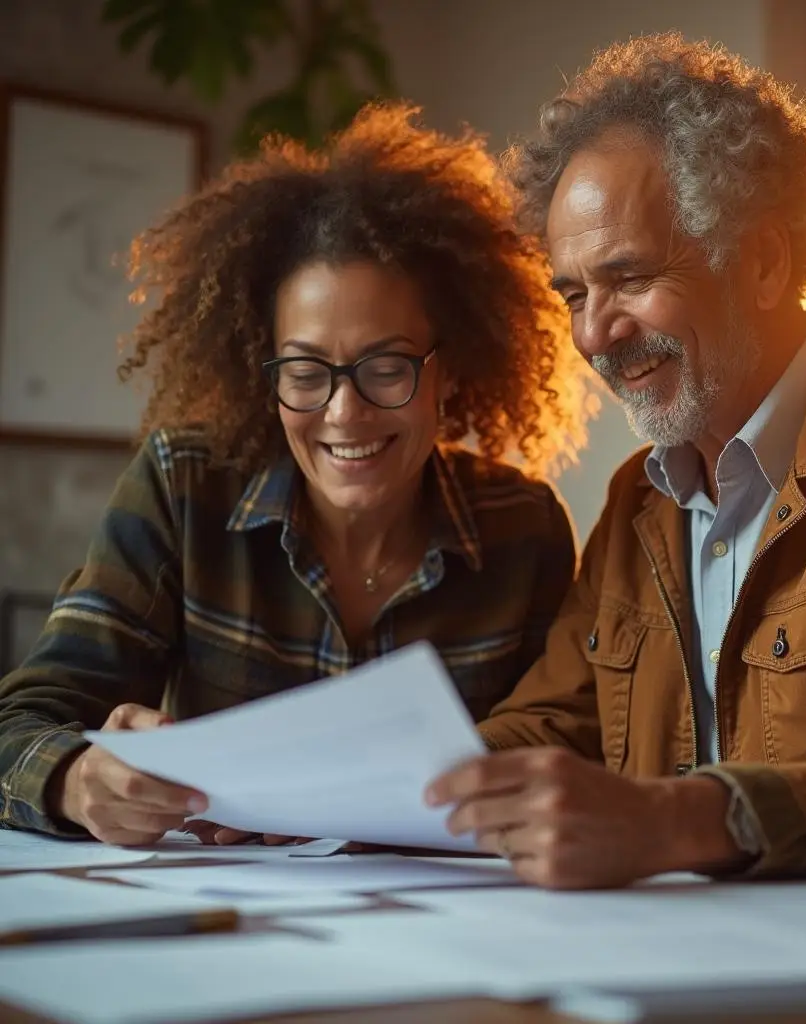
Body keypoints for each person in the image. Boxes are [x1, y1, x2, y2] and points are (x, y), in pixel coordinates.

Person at [426, 33, 806, 899]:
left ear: (767, 262)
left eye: (628, 277)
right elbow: (555, 724)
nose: (594, 335)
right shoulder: (643, 492)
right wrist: (310, 795)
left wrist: (675, 822)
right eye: (575, 295)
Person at [0, 103, 587, 848]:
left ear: (448, 371)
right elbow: (20, 722)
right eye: (305, 372)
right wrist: (76, 780)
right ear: (264, 373)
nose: (345, 412)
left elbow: (557, 746)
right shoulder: (184, 490)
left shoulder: (524, 529)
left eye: (386, 367)